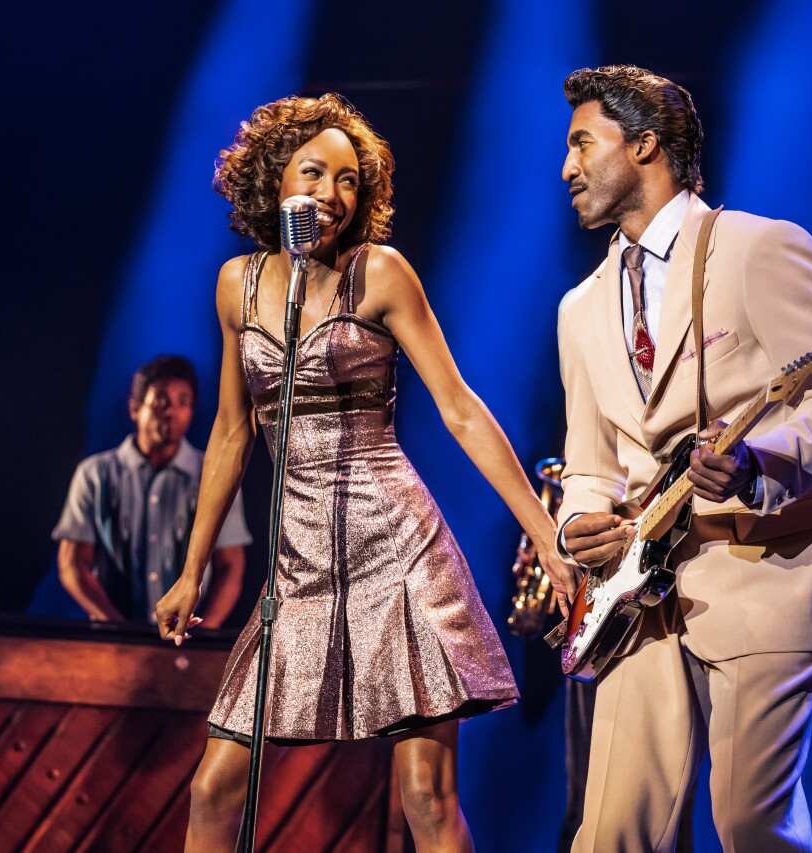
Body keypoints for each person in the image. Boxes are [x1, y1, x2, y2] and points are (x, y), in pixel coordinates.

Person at [152, 93, 572, 852]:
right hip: (299, 569)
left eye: (349, 180)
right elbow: (228, 433)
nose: (331, 195)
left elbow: (460, 407)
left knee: (426, 793)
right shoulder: (234, 286)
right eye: (314, 172)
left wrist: (543, 530)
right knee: (214, 786)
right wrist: (191, 569)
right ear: (274, 179)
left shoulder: (380, 273)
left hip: (396, 552)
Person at [554, 65, 812, 851]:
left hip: (759, 575)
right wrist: (580, 526)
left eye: (580, 143)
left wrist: (759, 461)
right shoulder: (580, 306)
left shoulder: (760, 248)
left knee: (749, 822)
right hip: (639, 599)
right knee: (608, 833)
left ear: (644, 145)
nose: (565, 168)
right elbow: (590, 462)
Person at [52, 355, 250, 627]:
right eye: (160, 401)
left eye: (183, 402)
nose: (171, 411)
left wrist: (203, 633)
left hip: (187, 641)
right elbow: (72, 563)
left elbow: (231, 566)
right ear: (134, 408)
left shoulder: (215, 476)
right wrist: (116, 628)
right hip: (111, 639)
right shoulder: (95, 474)